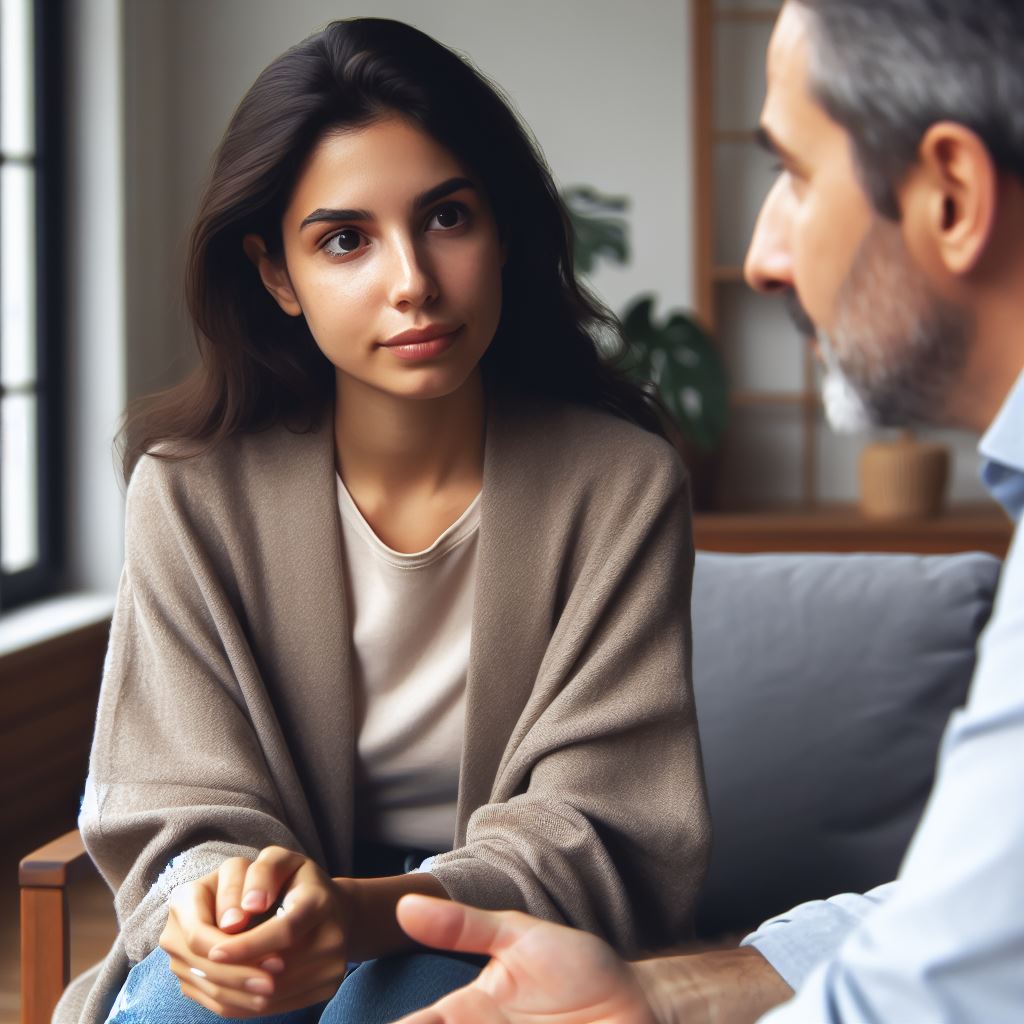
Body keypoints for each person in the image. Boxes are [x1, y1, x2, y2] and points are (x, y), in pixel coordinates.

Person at [63, 17, 711, 1024]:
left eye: (446, 218)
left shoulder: (620, 484)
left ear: (504, 230)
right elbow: (170, 800)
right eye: (344, 240)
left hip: (502, 921)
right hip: (263, 924)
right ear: (277, 274)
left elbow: (601, 820)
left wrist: (363, 915)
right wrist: (216, 910)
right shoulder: (188, 494)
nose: (411, 280)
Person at [392, 0, 1024, 1021]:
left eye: (796, 174)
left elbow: (945, 991)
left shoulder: (609, 483)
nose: (767, 254)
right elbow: (984, 918)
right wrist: (663, 992)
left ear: (950, 194)